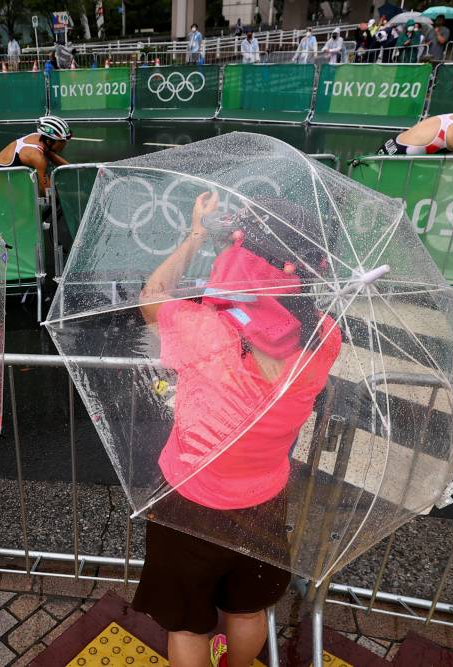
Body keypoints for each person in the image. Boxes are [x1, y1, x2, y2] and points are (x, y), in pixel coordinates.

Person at [132, 193, 341, 667]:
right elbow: (292, 317)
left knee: (188, 623)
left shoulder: (208, 330)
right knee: (246, 610)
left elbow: (152, 297)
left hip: (188, 498)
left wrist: (197, 234)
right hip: (264, 499)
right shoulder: (325, 338)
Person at [0, 115, 71, 194]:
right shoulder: (37, 157)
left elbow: (52, 156)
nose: (64, 145)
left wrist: (74, 169)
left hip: (4, 174)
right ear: (49, 141)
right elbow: (47, 191)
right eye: (62, 142)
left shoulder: (40, 139)